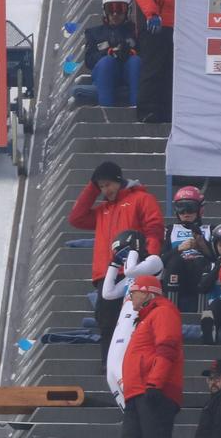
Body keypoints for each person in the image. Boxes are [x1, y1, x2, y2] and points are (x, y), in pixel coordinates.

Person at [70, 160, 165, 346]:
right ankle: (108, 362)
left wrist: (149, 262)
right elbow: (76, 218)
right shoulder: (102, 210)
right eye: (101, 186)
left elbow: (154, 230)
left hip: (133, 272)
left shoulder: (142, 199)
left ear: (119, 180)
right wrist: (92, 187)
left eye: (108, 184)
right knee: (107, 325)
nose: (105, 190)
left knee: (135, 322)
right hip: (106, 275)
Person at [119, 273, 183, 438]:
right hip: (139, 392)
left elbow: (167, 349)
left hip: (152, 390)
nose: (130, 297)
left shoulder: (163, 312)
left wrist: (155, 383)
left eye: (134, 292)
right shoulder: (149, 316)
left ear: (147, 293)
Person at [101, 229, 162, 407]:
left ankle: (139, 406)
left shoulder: (154, 261)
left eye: (125, 252)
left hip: (138, 316)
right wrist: (114, 264)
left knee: (123, 367)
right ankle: (128, 410)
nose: (124, 257)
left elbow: (130, 271)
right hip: (123, 319)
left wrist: (133, 251)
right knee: (111, 371)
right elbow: (108, 293)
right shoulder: (132, 275)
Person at [78, 0, 141, 108]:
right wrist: (109, 53)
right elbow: (89, 61)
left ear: (128, 11)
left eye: (120, 9)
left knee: (135, 62)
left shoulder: (135, 32)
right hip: (105, 74)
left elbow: (146, 55)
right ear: (105, 11)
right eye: (110, 9)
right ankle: (107, 109)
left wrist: (130, 52)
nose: (115, 14)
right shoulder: (94, 33)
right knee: (107, 63)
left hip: (129, 73)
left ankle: (137, 108)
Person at [164, 185, 212, 316]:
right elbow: (160, 259)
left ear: (200, 209)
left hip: (199, 272)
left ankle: (202, 315)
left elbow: (216, 258)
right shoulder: (170, 230)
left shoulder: (210, 229)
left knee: (200, 263)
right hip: (177, 272)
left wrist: (202, 245)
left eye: (190, 208)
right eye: (181, 208)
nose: (186, 212)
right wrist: (179, 249)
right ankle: (170, 313)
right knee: (175, 262)